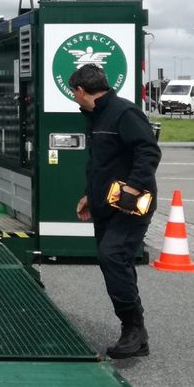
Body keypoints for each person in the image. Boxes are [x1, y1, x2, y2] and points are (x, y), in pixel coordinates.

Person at [69, 63, 162, 359]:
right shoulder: (96, 116)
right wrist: (88, 195)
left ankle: (133, 329)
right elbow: (100, 163)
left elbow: (148, 151)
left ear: (82, 90)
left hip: (131, 205)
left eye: (74, 93)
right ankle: (137, 333)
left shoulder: (124, 112)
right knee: (116, 261)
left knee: (112, 256)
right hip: (105, 204)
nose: (74, 98)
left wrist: (133, 188)